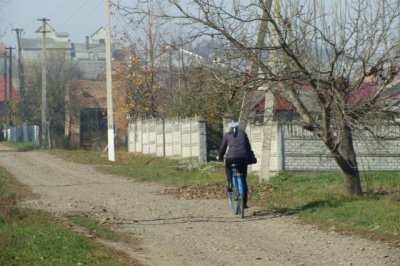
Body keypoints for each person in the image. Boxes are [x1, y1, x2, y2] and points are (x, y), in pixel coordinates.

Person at [216, 122, 252, 208]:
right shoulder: (243, 134)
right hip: (243, 159)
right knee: (243, 180)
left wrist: (219, 156)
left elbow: (223, 148)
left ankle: (230, 182)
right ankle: (244, 203)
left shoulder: (227, 135)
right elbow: (248, 147)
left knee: (228, 168)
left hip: (230, 158)